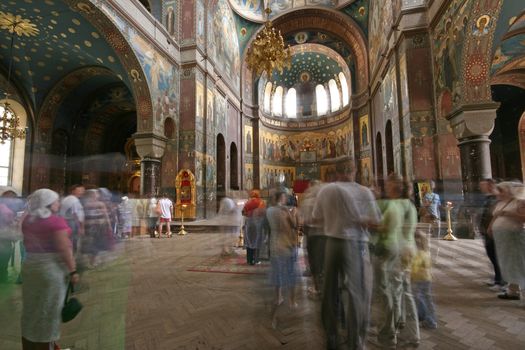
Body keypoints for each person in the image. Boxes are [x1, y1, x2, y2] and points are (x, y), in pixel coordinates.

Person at [312, 163, 381, 350]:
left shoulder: (326, 191)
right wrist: (363, 221)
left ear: (336, 171)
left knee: (329, 291)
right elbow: (376, 222)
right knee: (355, 293)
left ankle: (331, 338)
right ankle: (355, 341)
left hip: (331, 243)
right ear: (353, 170)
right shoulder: (364, 192)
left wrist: (335, 219)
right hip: (354, 244)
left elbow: (316, 218)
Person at [20, 188, 79, 350]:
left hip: (31, 267)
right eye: (56, 201)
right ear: (48, 203)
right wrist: (73, 271)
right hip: (50, 270)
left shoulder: (28, 220)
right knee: (48, 311)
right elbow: (64, 248)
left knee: (31, 310)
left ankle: (30, 346)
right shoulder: (55, 222)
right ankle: (46, 346)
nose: (59, 203)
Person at [373, 175, 420, 348]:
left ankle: (396, 331)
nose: (385, 187)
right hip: (409, 248)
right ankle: (409, 332)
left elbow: (387, 227)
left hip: (397, 250)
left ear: (394, 187)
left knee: (393, 291)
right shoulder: (410, 204)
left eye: (387, 184)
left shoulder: (395, 205)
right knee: (404, 290)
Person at [266, 191, 298, 329]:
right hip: (285, 245)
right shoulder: (283, 211)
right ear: (281, 198)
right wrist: (292, 214)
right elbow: (292, 226)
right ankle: (292, 300)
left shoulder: (269, 211)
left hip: (274, 245)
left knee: (277, 275)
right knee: (291, 273)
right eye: (285, 197)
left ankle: (278, 296)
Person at [489, 181, 525, 303]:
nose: (497, 193)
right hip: (503, 238)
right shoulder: (500, 202)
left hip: (514, 237)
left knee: (518, 264)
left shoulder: (519, 202)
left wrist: (507, 213)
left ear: (509, 191)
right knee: (508, 264)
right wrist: (491, 227)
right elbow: (495, 216)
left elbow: (523, 217)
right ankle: (512, 290)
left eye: (501, 190)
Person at [299, 180, 325, 299]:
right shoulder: (325, 197)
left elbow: (303, 220)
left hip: (313, 234)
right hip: (326, 234)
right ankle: (324, 288)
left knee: (315, 262)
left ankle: (317, 288)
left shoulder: (307, 200)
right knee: (324, 262)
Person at [479, 178, 504, 289]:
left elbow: (494, 214)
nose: (480, 188)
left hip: (495, 231)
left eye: (483, 185)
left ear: (490, 186)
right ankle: (497, 278)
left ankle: (501, 281)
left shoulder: (497, 199)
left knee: (497, 256)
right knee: (492, 255)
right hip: (487, 231)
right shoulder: (488, 198)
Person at [412, 230, 437, 329]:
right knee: (426, 298)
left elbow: (414, 268)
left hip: (419, 279)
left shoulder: (418, 254)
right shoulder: (427, 252)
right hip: (427, 279)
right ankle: (426, 316)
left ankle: (430, 320)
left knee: (419, 297)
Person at [82, 189, 113, 268]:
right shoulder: (87, 204)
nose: (97, 195)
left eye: (97, 194)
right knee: (91, 243)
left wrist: (108, 225)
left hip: (99, 227)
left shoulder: (100, 204)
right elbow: (83, 216)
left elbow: (105, 215)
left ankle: (93, 260)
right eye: (96, 194)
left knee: (96, 243)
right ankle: (91, 260)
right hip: (90, 226)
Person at [59, 184, 85, 254]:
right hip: (72, 222)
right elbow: (76, 215)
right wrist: (81, 227)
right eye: (79, 190)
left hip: (65, 221)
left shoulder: (66, 198)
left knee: (68, 239)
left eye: (82, 190)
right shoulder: (74, 200)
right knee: (73, 240)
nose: (81, 192)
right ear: (73, 191)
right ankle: (71, 256)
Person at [242, 190, 265, 265]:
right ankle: (256, 260)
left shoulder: (248, 202)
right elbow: (263, 213)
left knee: (249, 241)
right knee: (257, 241)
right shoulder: (261, 202)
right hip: (257, 223)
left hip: (249, 223)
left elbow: (243, 212)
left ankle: (249, 260)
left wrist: (249, 214)